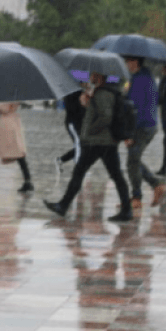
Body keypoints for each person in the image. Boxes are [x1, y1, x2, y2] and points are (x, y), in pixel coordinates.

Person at [44, 71, 132, 222]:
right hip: (105, 142)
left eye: (93, 74)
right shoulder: (104, 92)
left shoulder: (103, 94)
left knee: (80, 172)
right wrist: (88, 102)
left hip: (98, 142)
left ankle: (63, 206)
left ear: (99, 77)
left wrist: (90, 130)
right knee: (116, 175)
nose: (90, 77)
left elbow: (105, 117)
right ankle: (126, 210)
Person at [124, 55, 166, 207]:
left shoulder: (138, 80)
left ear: (135, 61)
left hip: (141, 126)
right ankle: (156, 186)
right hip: (149, 124)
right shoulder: (146, 76)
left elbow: (134, 107)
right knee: (133, 161)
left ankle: (138, 197)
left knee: (132, 161)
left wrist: (128, 134)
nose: (125, 63)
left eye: (127, 60)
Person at [56, 87, 87, 172]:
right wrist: (82, 103)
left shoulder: (81, 91)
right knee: (79, 143)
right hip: (73, 123)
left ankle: (61, 160)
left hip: (79, 122)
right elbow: (73, 108)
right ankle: (79, 168)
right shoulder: (72, 92)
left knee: (83, 145)